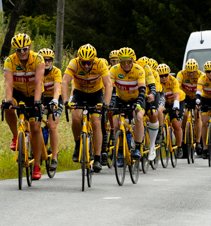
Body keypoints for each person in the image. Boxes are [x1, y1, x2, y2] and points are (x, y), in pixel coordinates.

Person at [3, 33, 47, 181]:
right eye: (18, 50)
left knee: (35, 128)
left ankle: (37, 166)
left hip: (34, 94)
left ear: (29, 47)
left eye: (25, 49)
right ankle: (16, 136)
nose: (22, 52)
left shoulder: (38, 59)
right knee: (7, 106)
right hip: (18, 93)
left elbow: (39, 83)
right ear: (14, 50)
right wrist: (8, 100)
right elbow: (9, 84)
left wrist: (37, 102)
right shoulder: (9, 61)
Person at [63, 44, 112, 172]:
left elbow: (108, 84)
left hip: (96, 94)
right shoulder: (74, 63)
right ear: (79, 60)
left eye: (88, 63)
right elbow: (65, 82)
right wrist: (66, 101)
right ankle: (78, 144)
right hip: (79, 93)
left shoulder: (100, 64)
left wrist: (105, 103)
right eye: (83, 63)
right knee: (75, 117)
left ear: (93, 61)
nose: (85, 66)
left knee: (96, 123)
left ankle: (97, 158)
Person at [107, 47, 148, 166]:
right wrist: (109, 102)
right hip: (121, 98)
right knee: (115, 124)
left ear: (133, 61)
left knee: (138, 116)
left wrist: (139, 102)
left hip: (136, 98)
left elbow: (142, 89)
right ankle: (120, 152)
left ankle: (138, 147)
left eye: (128, 62)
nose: (126, 64)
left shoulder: (139, 70)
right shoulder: (114, 70)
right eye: (123, 62)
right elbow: (110, 88)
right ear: (119, 61)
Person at [38, 47, 63, 172]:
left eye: (49, 60)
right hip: (41, 99)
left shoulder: (56, 71)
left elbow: (57, 89)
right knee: (35, 124)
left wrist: (55, 101)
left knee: (52, 126)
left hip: (55, 99)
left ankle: (54, 157)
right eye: (44, 60)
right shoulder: (36, 71)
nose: (47, 62)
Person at [156, 63, 184, 157]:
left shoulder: (173, 80)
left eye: (166, 75)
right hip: (165, 102)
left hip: (177, 101)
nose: (164, 78)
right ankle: (160, 131)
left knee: (176, 124)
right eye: (161, 76)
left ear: (169, 74)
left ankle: (179, 147)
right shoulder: (157, 82)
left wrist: (176, 107)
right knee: (159, 114)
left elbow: (176, 96)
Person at [138, 57, 163, 161]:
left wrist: (151, 96)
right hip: (140, 95)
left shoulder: (154, 74)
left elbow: (155, 89)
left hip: (152, 94)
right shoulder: (137, 71)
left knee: (153, 114)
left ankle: (152, 145)